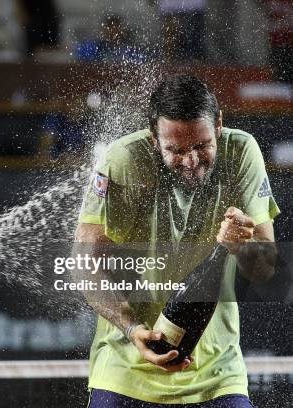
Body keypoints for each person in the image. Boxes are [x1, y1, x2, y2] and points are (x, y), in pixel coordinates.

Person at [76, 75, 279, 407]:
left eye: (202, 145)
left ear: (219, 125)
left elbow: (265, 268)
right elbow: (85, 263)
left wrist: (244, 245)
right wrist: (131, 329)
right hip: (126, 369)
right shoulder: (123, 160)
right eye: (176, 149)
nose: (191, 161)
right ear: (155, 140)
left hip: (217, 373)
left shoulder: (242, 152)